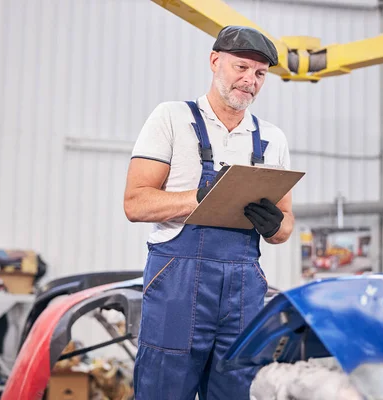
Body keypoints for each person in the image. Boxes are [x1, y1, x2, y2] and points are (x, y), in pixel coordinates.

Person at [123, 25, 294, 399]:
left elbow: (284, 229)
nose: (250, 80)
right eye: (241, 67)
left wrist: (275, 226)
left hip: (243, 290)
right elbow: (135, 203)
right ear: (215, 61)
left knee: (237, 385)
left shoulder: (272, 139)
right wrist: (201, 197)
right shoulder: (171, 118)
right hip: (177, 284)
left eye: (260, 73)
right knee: (163, 387)